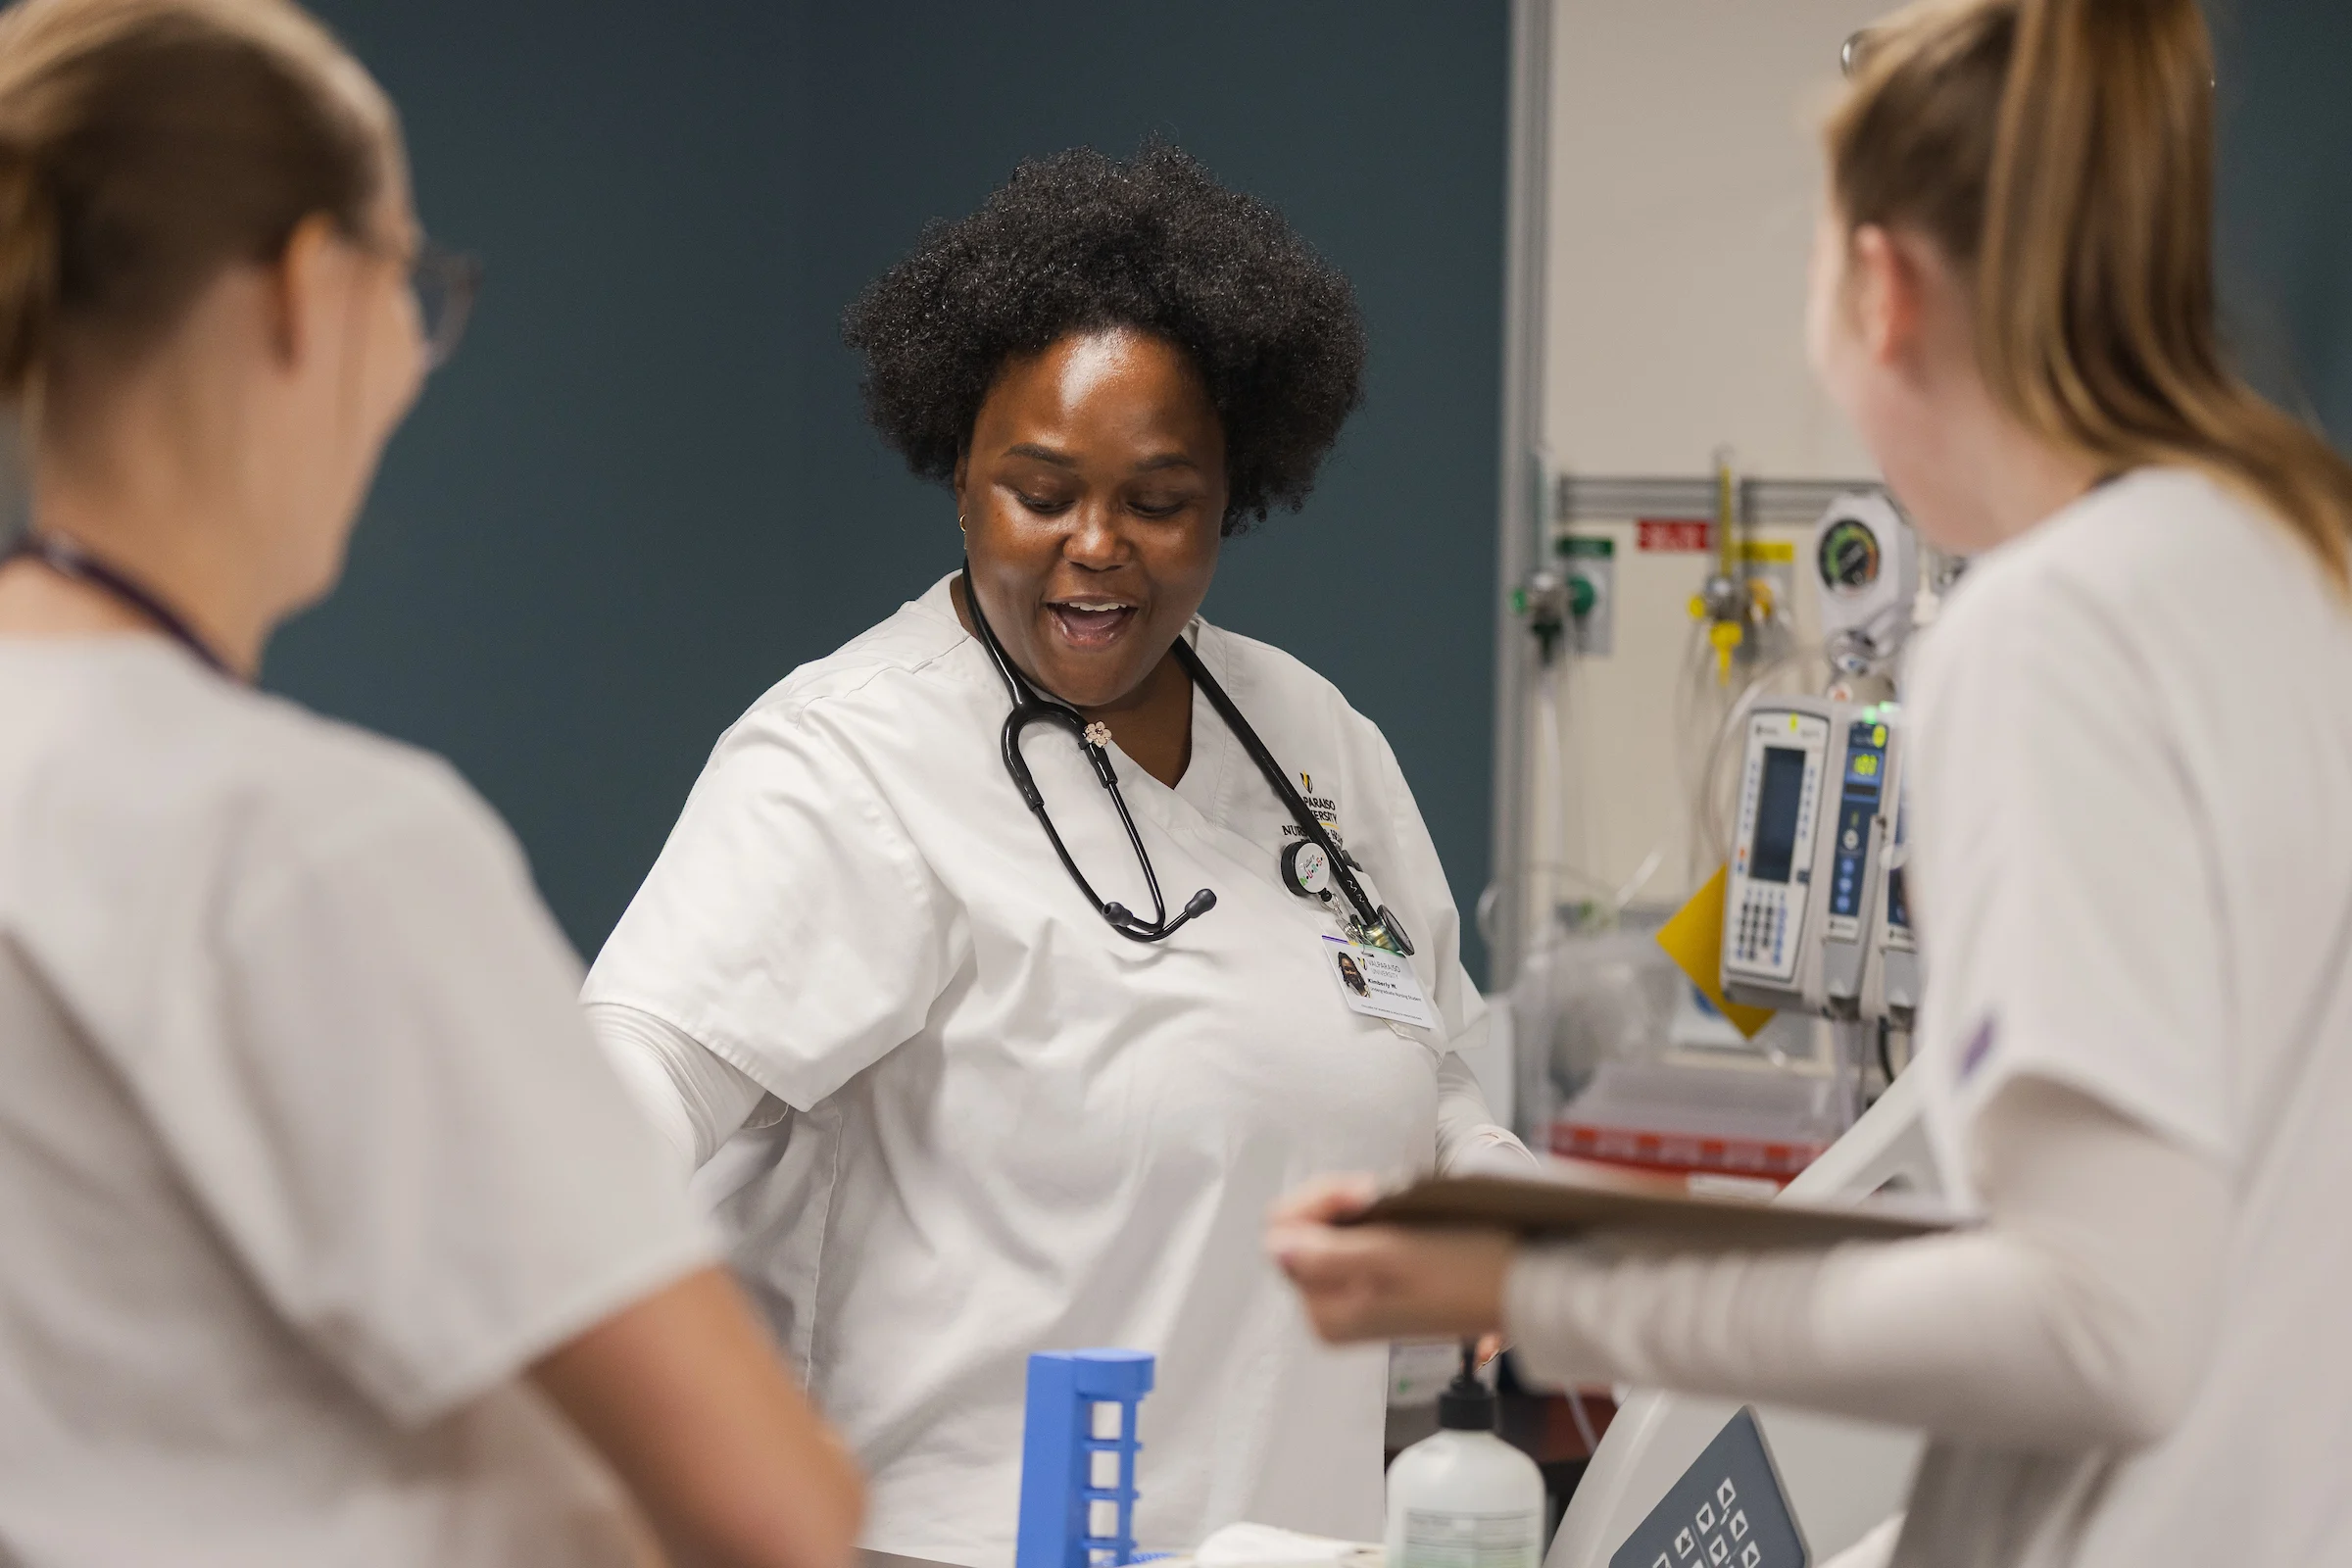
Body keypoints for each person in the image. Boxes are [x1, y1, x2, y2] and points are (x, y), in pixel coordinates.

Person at [1267, 1, 2352, 1566]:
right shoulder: (2294, 569)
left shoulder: (2050, 630)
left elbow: (2104, 1319)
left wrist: (1538, 1287)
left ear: (1883, 288)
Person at [584, 143, 1532, 1567]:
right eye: (1040, 492)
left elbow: (1430, 1058)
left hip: (1291, 1536)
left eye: (1159, 502)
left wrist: (1500, 1190)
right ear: (957, 469)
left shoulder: (1315, 742)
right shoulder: (849, 760)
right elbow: (625, 1091)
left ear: (1235, 496)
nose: (1097, 548)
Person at [0, 2, 862, 1563]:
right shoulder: (307, 847)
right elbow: (773, 1507)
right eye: (410, 286)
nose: (408, 358)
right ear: (303, 290)